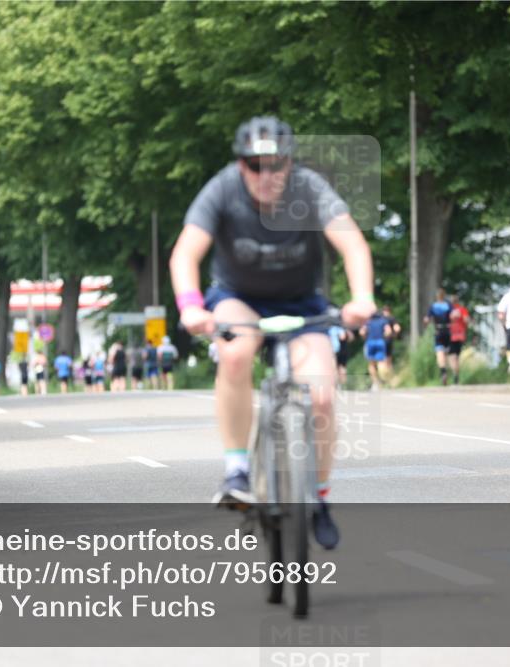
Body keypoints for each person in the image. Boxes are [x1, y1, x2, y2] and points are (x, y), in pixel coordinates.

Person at [170, 115, 374, 549]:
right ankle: (237, 469)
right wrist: (190, 307)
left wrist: (362, 299)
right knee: (236, 353)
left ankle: (317, 496)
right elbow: (185, 252)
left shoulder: (309, 188)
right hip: (237, 297)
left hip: (302, 304)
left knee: (322, 392)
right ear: (241, 165)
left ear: (289, 164)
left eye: (276, 165)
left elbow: (352, 242)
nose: (266, 176)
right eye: (254, 166)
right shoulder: (222, 189)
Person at [424, 288, 454, 385]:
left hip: (438, 331)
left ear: (437, 296)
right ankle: (453, 375)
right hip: (448, 331)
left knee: (439, 353)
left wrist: (426, 323)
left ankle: (443, 372)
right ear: (444, 296)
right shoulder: (448, 305)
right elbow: (455, 315)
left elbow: (426, 319)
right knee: (448, 354)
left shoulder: (433, 306)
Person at [360, 310, 391, 390]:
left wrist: (365, 338)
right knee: (381, 362)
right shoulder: (383, 321)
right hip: (380, 342)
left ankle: (375, 383)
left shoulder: (368, 322)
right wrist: (384, 337)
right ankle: (384, 381)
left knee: (371, 364)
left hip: (370, 342)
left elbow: (362, 332)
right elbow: (388, 331)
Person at [447, 293, 471, 385]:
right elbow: (466, 320)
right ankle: (456, 375)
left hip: (450, 335)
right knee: (456, 356)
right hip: (461, 335)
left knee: (451, 357)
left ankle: (455, 376)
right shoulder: (462, 309)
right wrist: (464, 326)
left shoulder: (448, 310)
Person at [381, 305, 401, 378]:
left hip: (380, 341)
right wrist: (394, 335)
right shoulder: (392, 318)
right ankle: (390, 377)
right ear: (390, 311)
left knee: (381, 360)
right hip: (389, 340)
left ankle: (383, 378)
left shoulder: (380, 319)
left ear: (383, 311)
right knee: (389, 360)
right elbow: (397, 328)